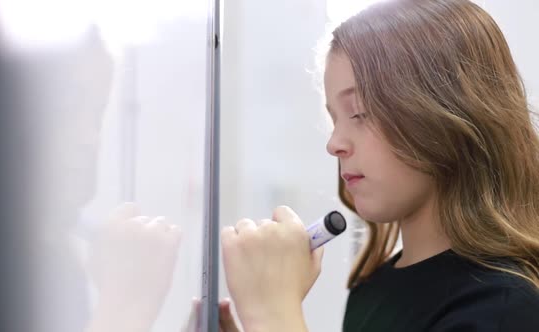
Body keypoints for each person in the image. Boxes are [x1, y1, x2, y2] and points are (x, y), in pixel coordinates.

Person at [219, 0, 539, 331]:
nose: (334, 144)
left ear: (447, 111)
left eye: (359, 112)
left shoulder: (504, 307)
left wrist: (272, 316)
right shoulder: (370, 290)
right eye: (334, 119)